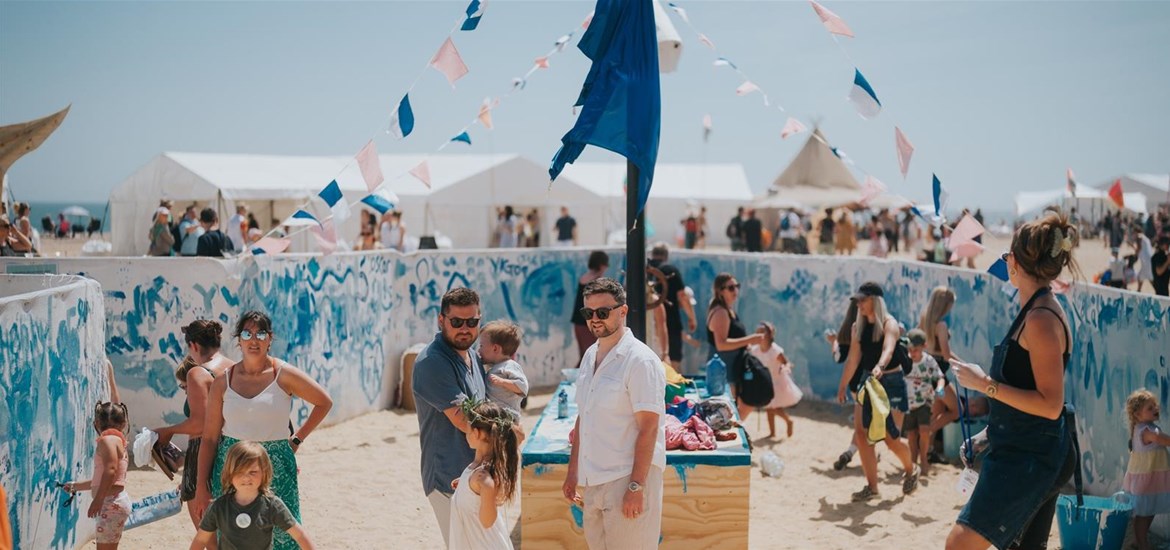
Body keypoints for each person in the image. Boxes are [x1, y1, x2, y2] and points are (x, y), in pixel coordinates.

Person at [947, 209, 1078, 550]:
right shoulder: (1034, 310)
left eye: (1007, 255)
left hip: (1032, 458)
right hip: (1024, 448)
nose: (1005, 261)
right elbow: (1025, 389)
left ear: (1016, 263)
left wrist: (983, 384)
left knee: (959, 544)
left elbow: (1050, 405)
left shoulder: (1041, 319)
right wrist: (989, 432)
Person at [193, 311, 333, 550]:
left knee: (284, 536)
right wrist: (200, 488)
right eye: (247, 333)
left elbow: (324, 402)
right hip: (231, 466)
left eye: (260, 333)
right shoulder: (223, 382)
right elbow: (209, 438)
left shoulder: (284, 374)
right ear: (239, 340)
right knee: (232, 534)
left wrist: (296, 439)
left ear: (270, 339)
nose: (254, 340)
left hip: (275, 465)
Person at [562, 277, 666, 550]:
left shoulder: (640, 360)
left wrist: (635, 488)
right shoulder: (589, 356)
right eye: (589, 313)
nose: (595, 319)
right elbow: (583, 417)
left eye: (603, 312)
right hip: (593, 482)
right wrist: (573, 472)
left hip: (626, 481)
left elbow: (649, 428)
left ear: (623, 311)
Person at [411, 288, 488, 546]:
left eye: (472, 322)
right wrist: (508, 434)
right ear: (441, 320)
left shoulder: (472, 357)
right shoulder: (432, 362)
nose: (464, 328)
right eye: (456, 322)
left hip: (474, 474)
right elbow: (465, 421)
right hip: (448, 478)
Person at [836, 282, 917, 502]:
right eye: (858, 300)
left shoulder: (889, 323)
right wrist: (843, 385)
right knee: (862, 436)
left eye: (863, 299)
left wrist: (880, 366)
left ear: (875, 300)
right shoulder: (857, 327)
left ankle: (911, 469)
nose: (859, 304)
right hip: (867, 381)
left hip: (891, 381)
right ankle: (872, 488)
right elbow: (853, 359)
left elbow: (888, 348)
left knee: (891, 439)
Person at [154, 320, 235, 529]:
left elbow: (201, 424)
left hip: (204, 453)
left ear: (194, 346)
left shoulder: (198, 373)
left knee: (207, 531)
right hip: (234, 450)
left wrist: (168, 431)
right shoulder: (234, 368)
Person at [191, 441, 315, 550]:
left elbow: (300, 535)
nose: (246, 477)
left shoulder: (272, 505)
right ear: (229, 474)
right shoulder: (219, 507)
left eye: (253, 472)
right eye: (239, 472)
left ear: (264, 473)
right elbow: (201, 540)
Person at [449, 401, 520, 550]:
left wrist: (487, 491)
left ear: (477, 433)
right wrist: (463, 484)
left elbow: (487, 522)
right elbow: (474, 496)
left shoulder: (484, 479)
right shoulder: (476, 470)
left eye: (467, 431)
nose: (465, 434)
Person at [60, 402, 132, 550]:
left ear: (97, 423)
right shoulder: (118, 441)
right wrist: (76, 486)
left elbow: (110, 471)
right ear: (123, 424)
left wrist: (98, 500)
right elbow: (104, 479)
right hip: (115, 502)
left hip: (110, 504)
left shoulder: (108, 440)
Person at [707, 273, 766, 420]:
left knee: (737, 407)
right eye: (731, 288)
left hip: (733, 367)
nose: (735, 291)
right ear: (720, 291)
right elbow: (721, 344)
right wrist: (750, 339)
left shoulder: (728, 310)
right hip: (725, 370)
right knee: (727, 411)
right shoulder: (720, 312)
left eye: (737, 286)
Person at [1123, 389, 1170, 550]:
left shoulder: (1145, 427)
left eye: (1155, 406)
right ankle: (1142, 543)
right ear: (1137, 414)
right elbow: (1160, 439)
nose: (1155, 409)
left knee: (1147, 510)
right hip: (1147, 478)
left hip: (1150, 478)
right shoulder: (1147, 431)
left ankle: (1138, 541)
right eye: (1150, 408)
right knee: (1143, 513)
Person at [649, 244, 698, 369]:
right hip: (671, 324)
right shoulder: (670, 270)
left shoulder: (642, 270)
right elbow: (682, 296)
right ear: (666, 256)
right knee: (673, 365)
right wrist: (692, 318)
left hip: (645, 323)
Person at [749, 322, 801, 439]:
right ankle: (772, 432)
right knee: (769, 408)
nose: (759, 335)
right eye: (757, 333)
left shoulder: (775, 350)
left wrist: (786, 367)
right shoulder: (755, 349)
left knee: (773, 407)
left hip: (777, 382)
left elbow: (786, 362)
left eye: (762, 332)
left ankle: (788, 421)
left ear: (769, 334)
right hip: (765, 381)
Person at [903, 329, 943, 475]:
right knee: (912, 435)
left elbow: (940, 377)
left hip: (925, 401)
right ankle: (913, 462)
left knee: (924, 431)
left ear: (924, 346)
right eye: (910, 349)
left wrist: (940, 388)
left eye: (916, 350)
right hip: (908, 403)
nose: (912, 353)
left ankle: (924, 459)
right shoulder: (905, 361)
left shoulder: (928, 361)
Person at [829, 300, 862, 471]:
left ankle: (851, 451)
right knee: (867, 425)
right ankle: (851, 451)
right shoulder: (874, 329)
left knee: (863, 423)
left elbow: (838, 357)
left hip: (855, 384)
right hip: (874, 382)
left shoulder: (847, 331)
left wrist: (833, 342)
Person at [479, 321, 529, 421]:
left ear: (495, 348)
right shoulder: (494, 368)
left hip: (508, 417)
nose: (479, 350)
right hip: (495, 416)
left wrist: (503, 382)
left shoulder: (510, 365)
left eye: (481, 346)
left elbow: (523, 387)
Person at [572, 251, 610, 359]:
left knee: (585, 356)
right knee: (590, 357)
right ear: (602, 265)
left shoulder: (585, 277)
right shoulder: (596, 281)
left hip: (579, 322)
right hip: (588, 322)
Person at [1133, 228, 1155, 293]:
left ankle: (1138, 291)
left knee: (1147, 278)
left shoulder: (1139, 236)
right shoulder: (1145, 238)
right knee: (1142, 277)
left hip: (1146, 262)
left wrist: (1134, 253)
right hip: (1148, 261)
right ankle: (1138, 291)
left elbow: (1138, 249)